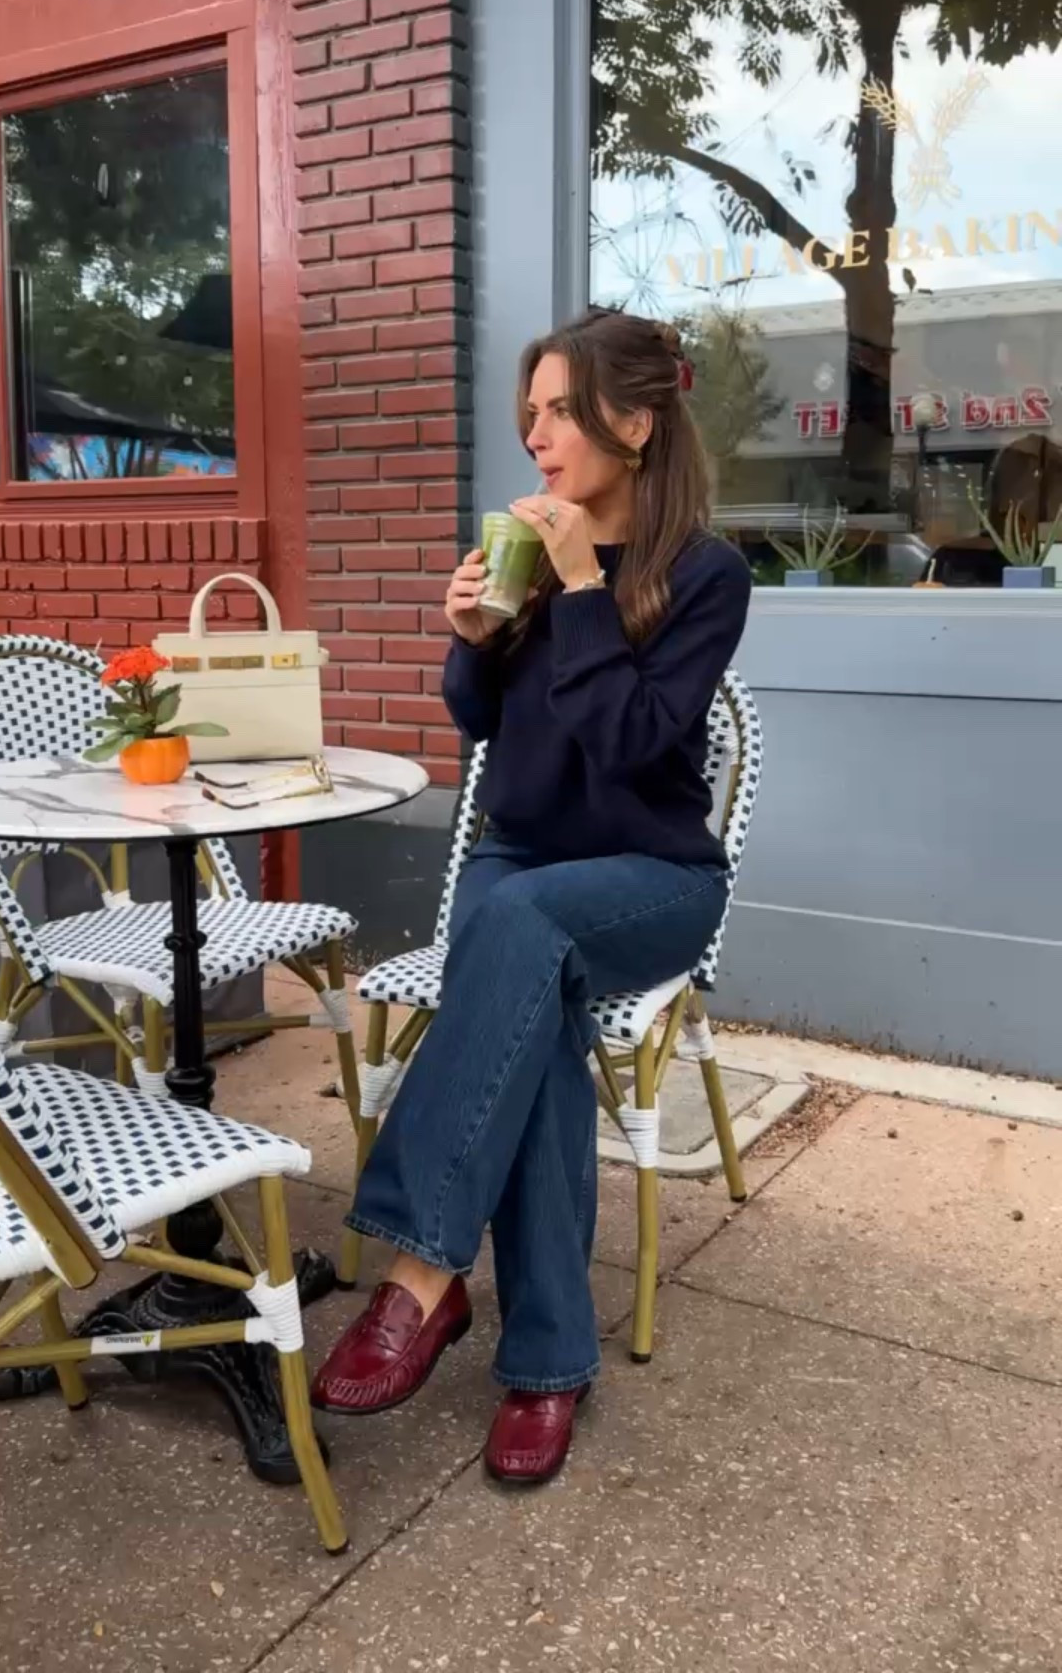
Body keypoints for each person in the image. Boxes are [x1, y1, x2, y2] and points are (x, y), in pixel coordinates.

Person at [312, 309, 751, 1485]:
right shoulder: (525, 551)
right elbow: (489, 724)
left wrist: (579, 589)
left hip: (651, 879)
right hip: (522, 863)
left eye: (560, 411)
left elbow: (634, 746)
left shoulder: (706, 572)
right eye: (534, 413)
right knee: (534, 1014)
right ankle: (548, 1363)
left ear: (638, 420)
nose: (537, 435)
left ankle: (419, 1271)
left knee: (515, 930)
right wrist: (470, 639)